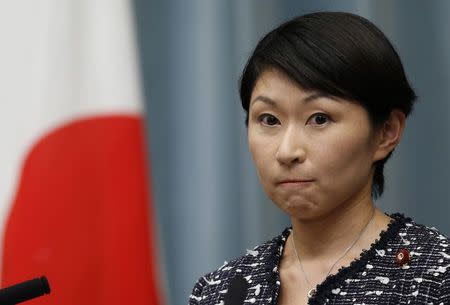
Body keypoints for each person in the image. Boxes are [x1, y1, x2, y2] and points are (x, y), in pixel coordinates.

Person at [189, 12, 450, 305]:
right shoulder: (221, 290)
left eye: (320, 118)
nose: (287, 151)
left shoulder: (435, 277)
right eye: (269, 120)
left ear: (386, 132)